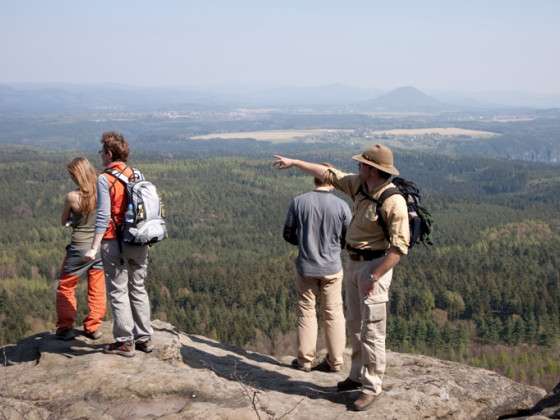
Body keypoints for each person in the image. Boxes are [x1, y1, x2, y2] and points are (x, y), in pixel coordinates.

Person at [273, 144, 410, 411]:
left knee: (373, 331)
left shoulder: (393, 201)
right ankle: (356, 375)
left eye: (361, 164)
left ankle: (371, 387)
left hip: (375, 267)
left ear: (372, 168)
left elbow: (399, 249)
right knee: (357, 325)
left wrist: (375, 275)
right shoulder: (360, 185)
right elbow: (329, 173)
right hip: (353, 264)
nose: (357, 167)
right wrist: (295, 162)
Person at [84, 131, 153, 357]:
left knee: (117, 290)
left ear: (109, 153)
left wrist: (94, 247)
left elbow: (103, 216)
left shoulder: (105, 178)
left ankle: (125, 342)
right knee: (138, 287)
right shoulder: (136, 173)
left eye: (101, 151)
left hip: (115, 240)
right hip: (139, 239)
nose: (100, 156)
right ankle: (144, 337)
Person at [283, 165, 351, 373]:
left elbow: (288, 233)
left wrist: (305, 243)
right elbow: (348, 238)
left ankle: (304, 360)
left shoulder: (299, 202)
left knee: (306, 312)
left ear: (315, 180)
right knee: (334, 313)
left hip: (306, 266)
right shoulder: (341, 206)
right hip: (332, 267)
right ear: (333, 181)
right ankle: (336, 361)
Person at [56, 157, 106, 341]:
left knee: (66, 286)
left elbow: (63, 221)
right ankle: (93, 327)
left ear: (77, 175)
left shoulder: (72, 197)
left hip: (79, 247)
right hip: (99, 247)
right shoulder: (103, 191)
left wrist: (74, 220)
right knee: (97, 287)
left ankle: (65, 326)